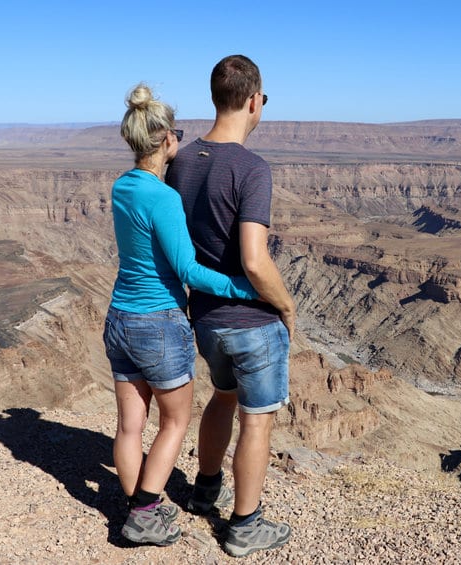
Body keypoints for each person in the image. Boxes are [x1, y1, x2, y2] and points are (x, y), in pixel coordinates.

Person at [103, 83, 258, 547]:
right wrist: (241, 287)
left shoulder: (122, 186)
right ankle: (144, 515)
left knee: (130, 425)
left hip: (119, 320)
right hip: (157, 323)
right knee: (174, 423)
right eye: (178, 133)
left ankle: (138, 508)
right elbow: (188, 269)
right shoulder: (162, 197)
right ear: (167, 138)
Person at [166, 54, 296, 558]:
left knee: (221, 397)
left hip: (203, 318)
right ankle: (244, 525)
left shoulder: (180, 161)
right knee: (256, 418)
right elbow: (254, 260)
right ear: (253, 100)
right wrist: (284, 306)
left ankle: (205, 488)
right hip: (249, 321)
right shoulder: (252, 168)